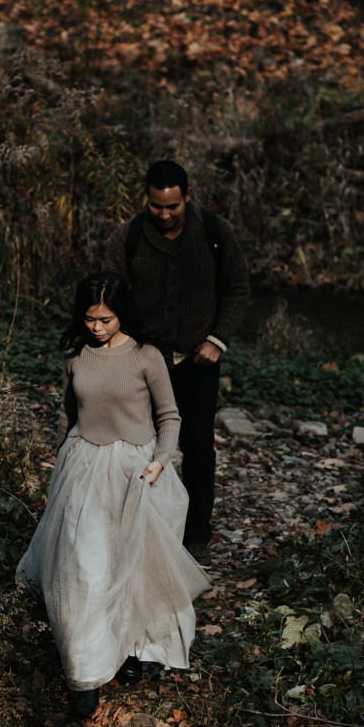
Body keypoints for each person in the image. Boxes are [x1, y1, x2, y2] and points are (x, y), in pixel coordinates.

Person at [17, 272, 212, 721]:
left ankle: (137, 647)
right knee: (85, 565)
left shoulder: (147, 357)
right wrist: (64, 457)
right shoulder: (74, 354)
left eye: (105, 319)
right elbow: (72, 413)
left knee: (136, 564)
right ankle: (86, 670)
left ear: (122, 314)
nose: (96, 327)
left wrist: (161, 461)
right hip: (85, 465)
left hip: (138, 468)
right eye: (89, 319)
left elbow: (170, 416)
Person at [103, 159, 251, 562]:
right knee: (138, 444)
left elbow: (237, 288)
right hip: (143, 362)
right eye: (156, 206)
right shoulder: (127, 237)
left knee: (198, 445)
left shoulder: (216, 233)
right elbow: (107, 295)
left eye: (172, 206)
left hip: (199, 360)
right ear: (146, 199)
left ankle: (196, 535)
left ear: (187, 196)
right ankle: (141, 527)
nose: (164, 215)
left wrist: (217, 340)